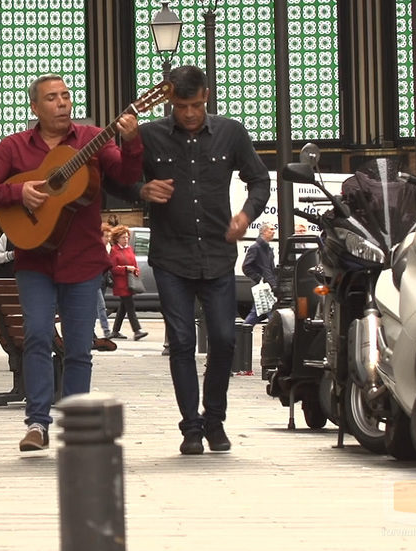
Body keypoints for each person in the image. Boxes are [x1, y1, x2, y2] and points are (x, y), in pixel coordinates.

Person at [0, 73, 143, 451]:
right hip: (35, 260)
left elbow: (128, 176)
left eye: (66, 95)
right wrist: (19, 193)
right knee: (35, 336)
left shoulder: (90, 139)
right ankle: (37, 423)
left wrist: (131, 142)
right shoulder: (15, 147)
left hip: (82, 261)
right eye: (52, 98)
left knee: (80, 347)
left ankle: (77, 425)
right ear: (35, 107)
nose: (62, 102)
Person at [138, 65, 270, 455]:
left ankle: (215, 419)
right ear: (169, 102)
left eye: (195, 105)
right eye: (181, 106)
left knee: (225, 339)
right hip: (170, 256)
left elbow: (259, 179)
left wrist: (246, 215)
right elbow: (115, 178)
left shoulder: (231, 132)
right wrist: (141, 189)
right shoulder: (150, 137)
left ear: (207, 96)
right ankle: (191, 428)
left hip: (216, 252)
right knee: (180, 341)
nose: (190, 114)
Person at [107, 225, 147, 341]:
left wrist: (135, 270)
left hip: (130, 281)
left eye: (127, 237)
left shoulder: (129, 249)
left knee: (123, 307)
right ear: (117, 239)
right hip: (121, 283)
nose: (126, 240)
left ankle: (115, 331)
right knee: (130, 306)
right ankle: (137, 330)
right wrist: (125, 268)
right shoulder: (114, 250)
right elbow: (113, 268)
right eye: (123, 237)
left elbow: (134, 263)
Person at [242, 223, 277, 326]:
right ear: (264, 232)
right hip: (263, 287)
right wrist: (259, 279)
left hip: (269, 286)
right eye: (271, 229)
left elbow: (270, 269)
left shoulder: (268, 249)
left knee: (256, 314)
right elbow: (246, 267)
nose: (273, 231)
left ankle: (243, 333)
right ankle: (243, 333)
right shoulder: (255, 248)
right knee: (271, 314)